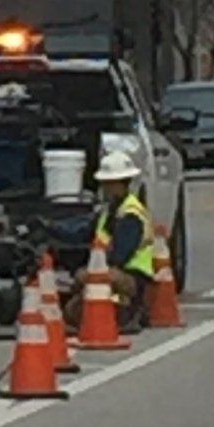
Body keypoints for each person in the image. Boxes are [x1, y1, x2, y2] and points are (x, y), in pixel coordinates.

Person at [80, 141, 155, 331]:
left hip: (135, 279)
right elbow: (83, 230)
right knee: (75, 305)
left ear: (121, 183)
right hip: (115, 272)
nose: (105, 188)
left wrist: (93, 269)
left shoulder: (131, 215)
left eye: (108, 183)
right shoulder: (111, 211)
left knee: (95, 279)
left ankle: (130, 309)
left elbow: (120, 255)